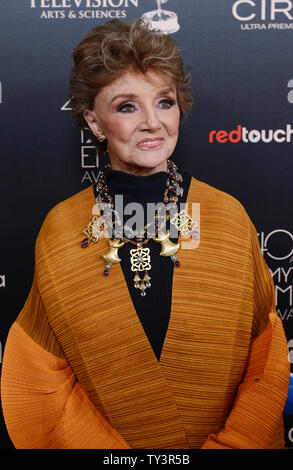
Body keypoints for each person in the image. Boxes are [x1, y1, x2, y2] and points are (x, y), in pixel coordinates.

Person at [1, 19, 290, 450]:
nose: (153, 122)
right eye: (127, 106)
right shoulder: (61, 228)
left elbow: (265, 358)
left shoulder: (226, 217)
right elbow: (41, 371)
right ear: (94, 122)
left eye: (165, 102)